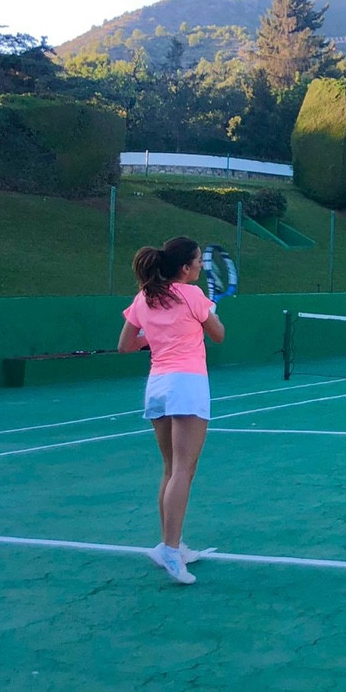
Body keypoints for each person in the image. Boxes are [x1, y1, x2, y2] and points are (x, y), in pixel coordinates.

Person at [118, 236, 225, 584]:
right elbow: (219, 335)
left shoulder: (144, 297)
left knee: (170, 468)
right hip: (187, 386)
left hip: (158, 387)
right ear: (184, 268)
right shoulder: (193, 295)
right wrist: (210, 315)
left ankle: (170, 545)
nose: (200, 267)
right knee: (183, 470)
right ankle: (170, 548)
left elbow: (126, 345)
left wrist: (156, 337)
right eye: (197, 262)